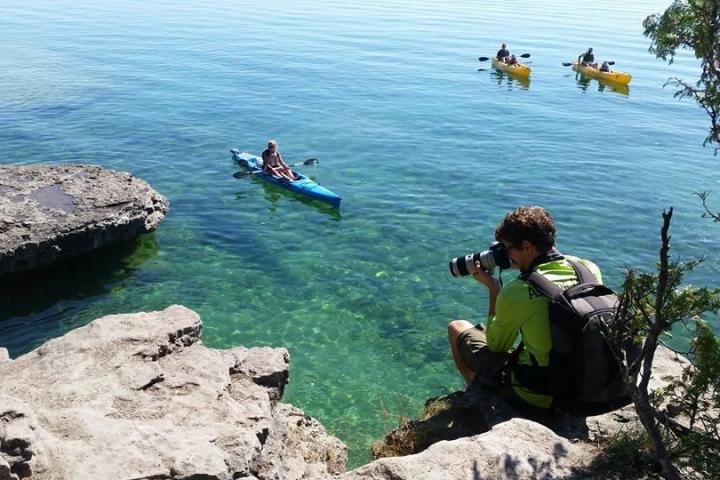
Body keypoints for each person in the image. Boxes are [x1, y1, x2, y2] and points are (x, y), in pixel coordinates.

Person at [447, 206, 603, 411]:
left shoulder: (518, 291)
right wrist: (523, 262)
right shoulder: (587, 268)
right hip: (586, 386)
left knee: (456, 327)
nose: (504, 254)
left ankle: (479, 393)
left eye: (507, 248)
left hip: (539, 395)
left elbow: (497, 346)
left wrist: (494, 289)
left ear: (527, 246)